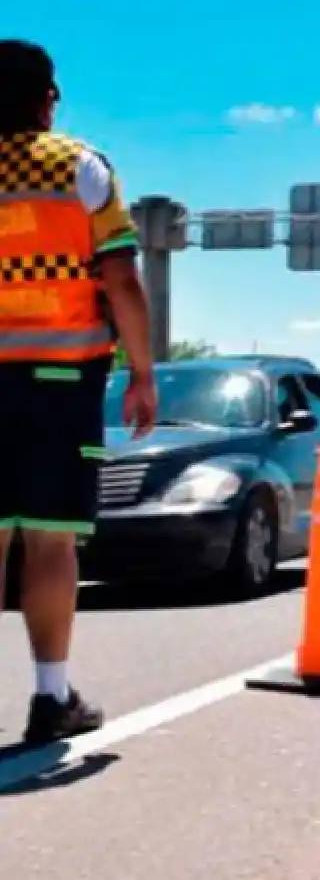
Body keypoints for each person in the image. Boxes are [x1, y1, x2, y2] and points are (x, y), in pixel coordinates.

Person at [0, 39, 157, 745]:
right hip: (61, 382)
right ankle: (51, 696)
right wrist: (144, 373)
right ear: (49, 98)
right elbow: (121, 278)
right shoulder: (81, 168)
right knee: (50, 542)